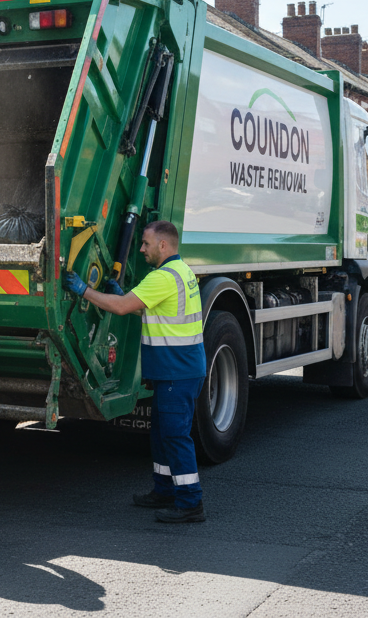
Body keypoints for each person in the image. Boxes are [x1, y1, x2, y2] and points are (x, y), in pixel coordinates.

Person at [65, 220, 207, 523]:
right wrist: (127, 295)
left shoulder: (163, 277)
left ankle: (190, 502)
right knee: (161, 433)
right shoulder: (182, 272)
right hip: (179, 368)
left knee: (175, 436)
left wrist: (84, 290)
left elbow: (119, 308)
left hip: (176, 371)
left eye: (146, 243)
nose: (142, 248)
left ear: (163, 245)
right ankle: (164, 490)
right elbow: (154, 307)